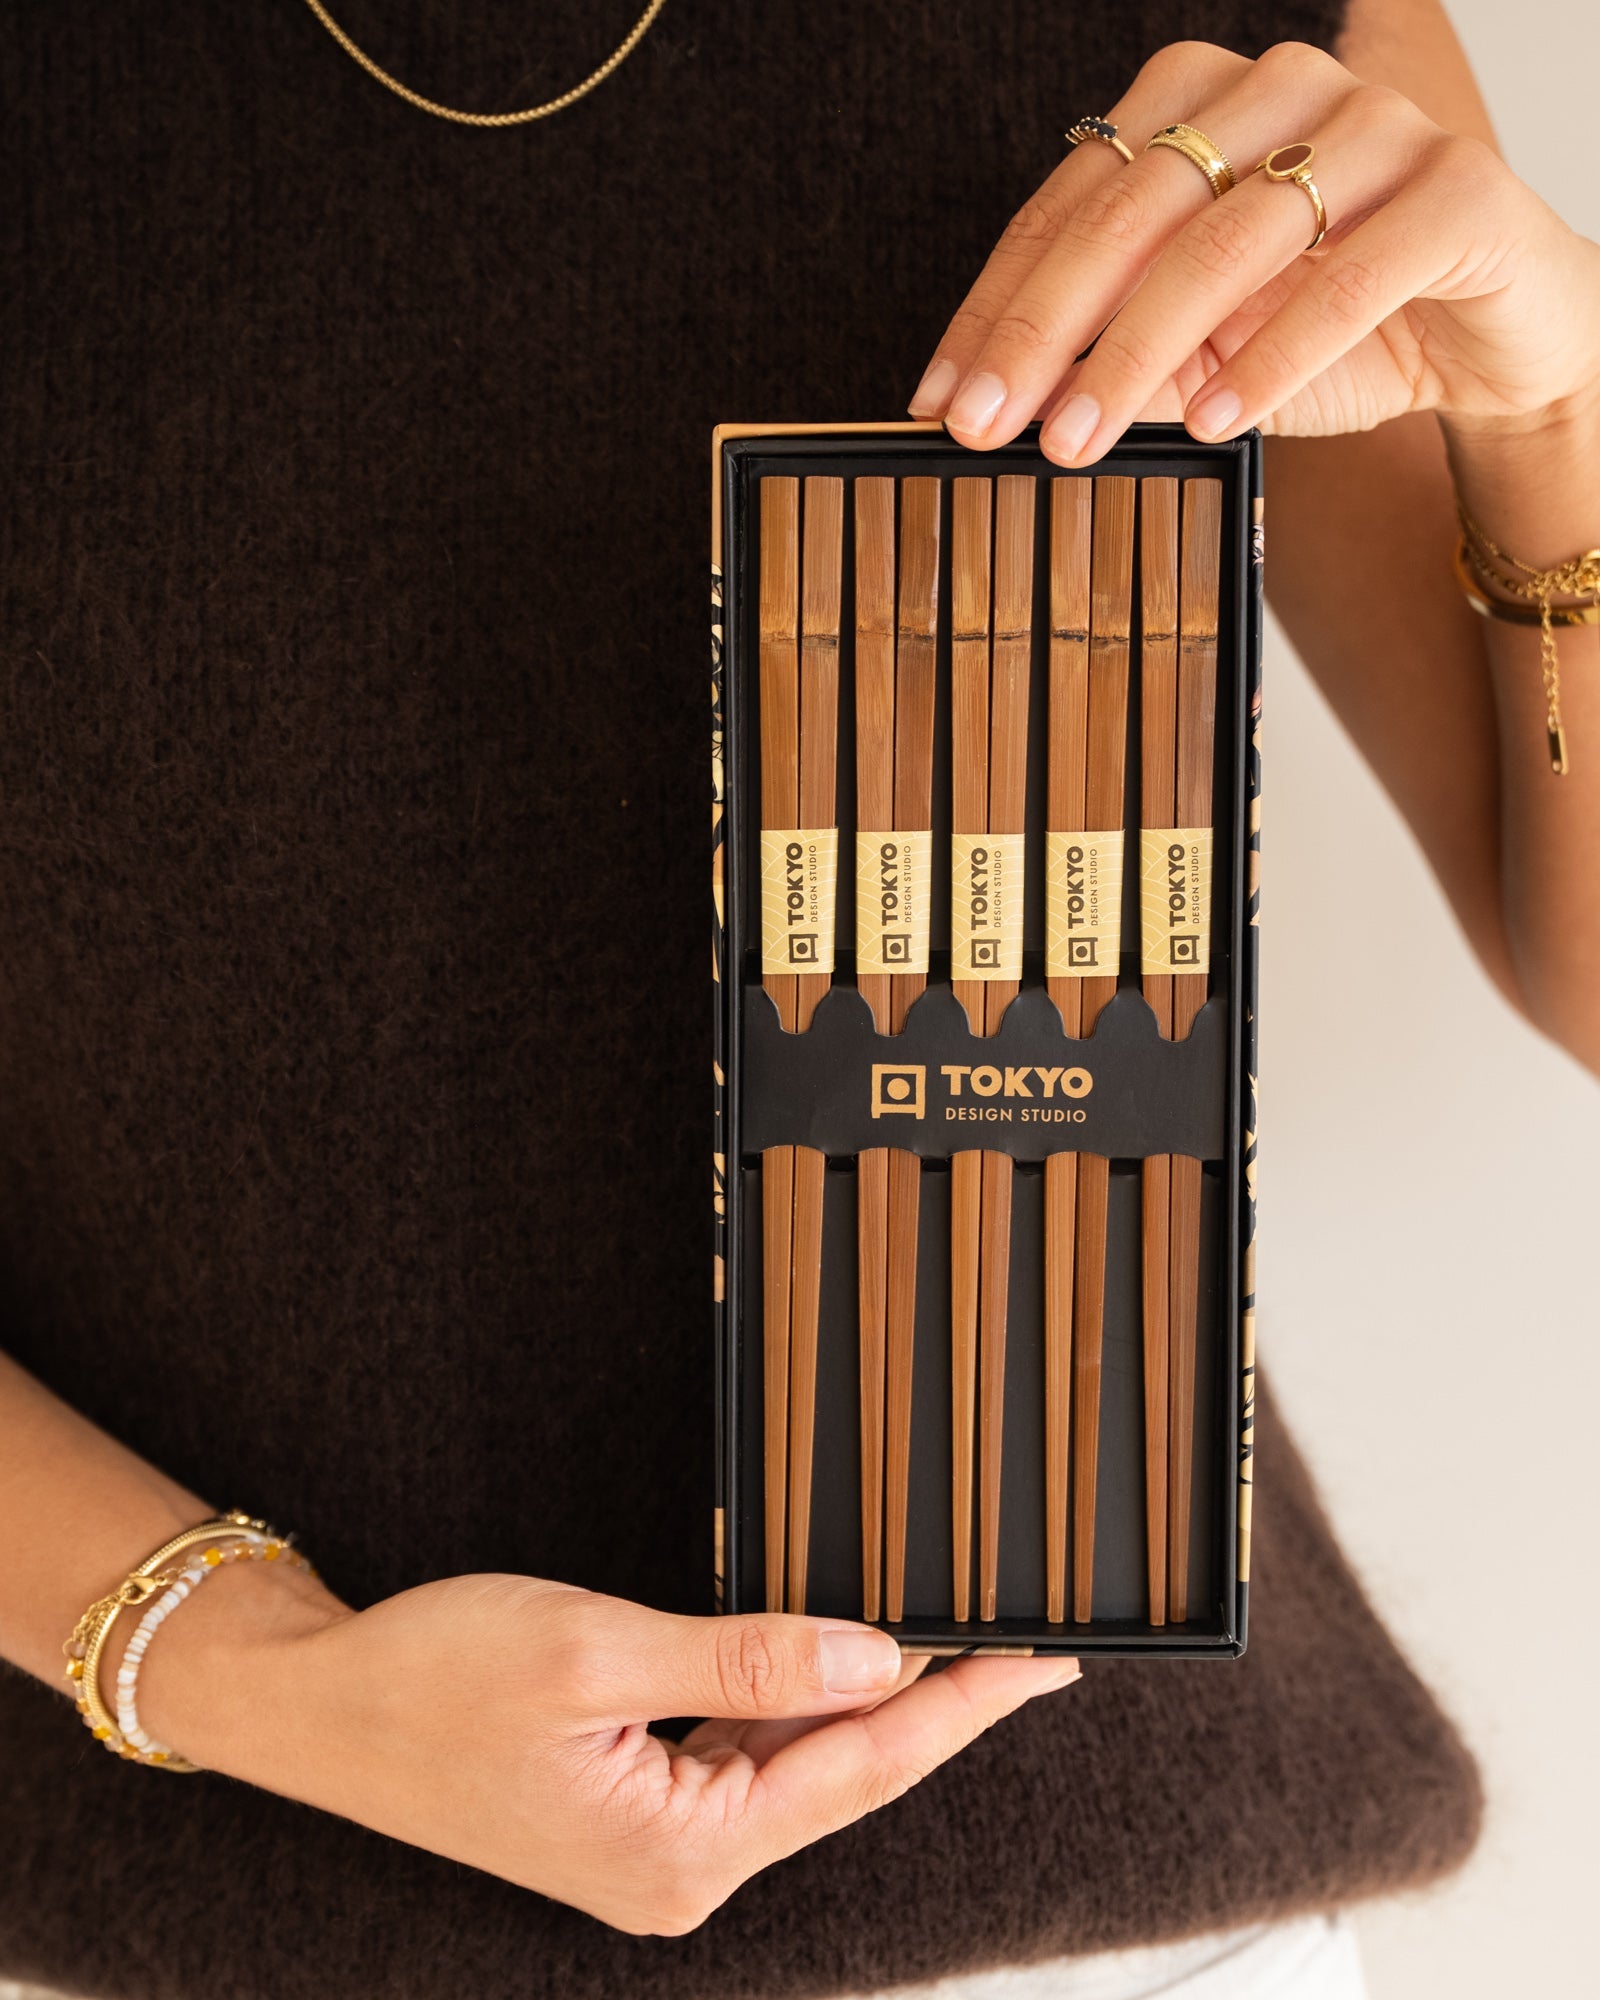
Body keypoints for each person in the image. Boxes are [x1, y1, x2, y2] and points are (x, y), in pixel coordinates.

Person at [0, 1, 1594, 1997]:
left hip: (1124, 1933)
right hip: (172, 1916)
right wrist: (239, 1665)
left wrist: (1556, 417)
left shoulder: (1237, 47)